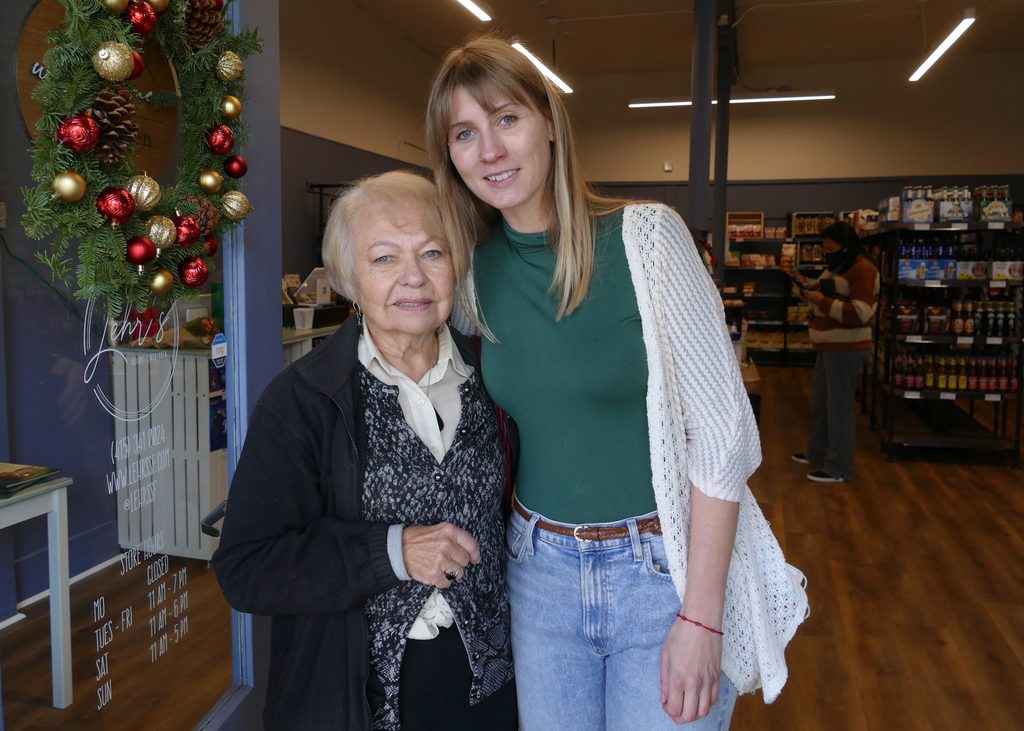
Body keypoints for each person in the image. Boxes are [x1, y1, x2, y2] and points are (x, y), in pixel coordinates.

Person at [426, 34, 808, 730]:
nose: (489, 150)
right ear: (449, 154)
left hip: (661, 574)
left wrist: (702, 616)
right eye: (464, 132)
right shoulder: (473, 275)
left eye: (506, 119)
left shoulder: (647, 239)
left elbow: (723, 436)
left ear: (548, 122)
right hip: (537, 573)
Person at [211, 170, 517, 730]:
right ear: (349, 279)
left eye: (432, 253)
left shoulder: (497, 376)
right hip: (357, 697)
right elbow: (247, 568)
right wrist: (393, 551)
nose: (414, 279)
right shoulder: (303, 400)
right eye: (384, 259)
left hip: (492, 688)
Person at [790, 221, 880, 483]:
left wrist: (822, 301)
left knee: (839, 408)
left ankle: (839, 467)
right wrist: (807, 287)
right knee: (820, 404)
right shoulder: (838, 268)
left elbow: (860, 313)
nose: (827, 254)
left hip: (847, 346)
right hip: (828, 345)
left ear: (847, 247)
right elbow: (823, 290)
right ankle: (817, 454)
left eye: (831, 249)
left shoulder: (864, 270)